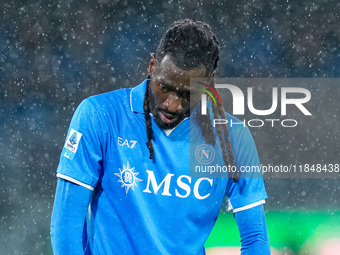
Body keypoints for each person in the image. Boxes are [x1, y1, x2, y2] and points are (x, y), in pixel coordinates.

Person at [51, 19, 270, 254]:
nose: (172, 105)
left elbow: (255, 239)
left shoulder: (233, 139)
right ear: (152, 66)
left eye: (188, 94)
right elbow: (67, 227)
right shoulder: (100, 115)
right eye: (165, 87)